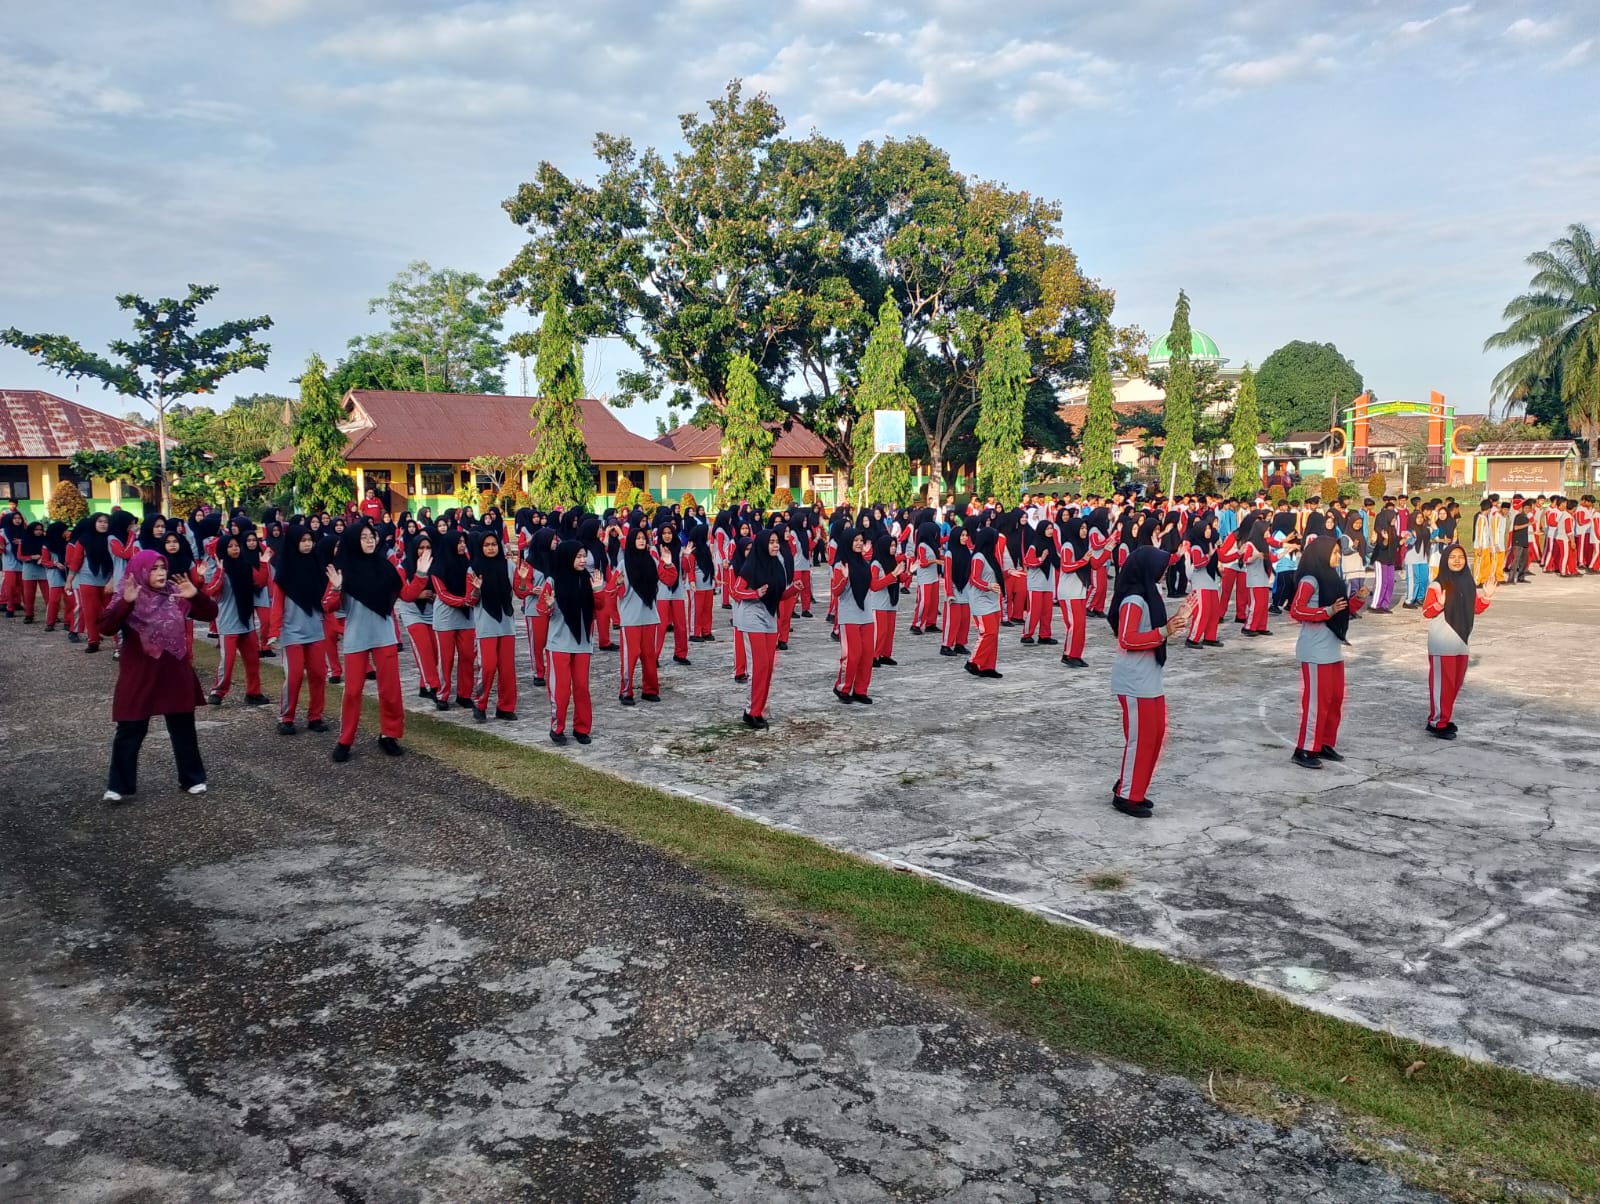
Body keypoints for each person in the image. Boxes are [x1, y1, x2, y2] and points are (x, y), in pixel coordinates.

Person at [99, 548, 217, 803]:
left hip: (174, 671)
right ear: (140, 571)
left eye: (163, 567)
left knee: (183, 727)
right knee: (130, 728)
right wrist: (127, 603)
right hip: (140, 674)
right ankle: (119, 785)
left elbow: (210, 614)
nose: (161, 573)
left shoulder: (176, 595)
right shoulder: (128, 594)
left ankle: (192, 778)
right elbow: (106, 627)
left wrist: (196, 596)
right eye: (154, 569)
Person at [321, 518, 414, 762]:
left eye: (372, 537)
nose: (369, 541)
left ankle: (389, 735)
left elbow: (406, 594)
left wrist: (422, 574)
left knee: (390, 690)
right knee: (353, 691)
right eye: (363, 537)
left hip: (384, 635)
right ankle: (345, 740)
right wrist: (336, 588)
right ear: (353, 541)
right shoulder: (342, 570)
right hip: (357, 636)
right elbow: (328, 606)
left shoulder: (385, 566)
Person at [1108, 545, 1189, 819]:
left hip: (1149, 677)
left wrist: (1176, 619)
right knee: (1140, 739)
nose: (1165, 571)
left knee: (1155, 735)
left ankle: (1133, 786)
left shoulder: (1149, 594)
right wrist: (1164, 631)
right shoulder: (1134, 599)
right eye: (1162, 566)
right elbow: (1127, 638)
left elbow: (1154, 630)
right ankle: (1127, 794)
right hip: (1134, 680)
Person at [1288, 534, 1368, 769]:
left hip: (1332, 648)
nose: (1338, 556)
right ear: (1321, 554)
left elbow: (1341, 609)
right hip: (1315, 651)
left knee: (1334, 699)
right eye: (1333, 553)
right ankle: (1304, 748)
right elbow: (1296, 610)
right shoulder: (1309, 580)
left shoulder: (1333, 578)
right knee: (1316, 702)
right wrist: (1326, 611)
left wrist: (1358, 599)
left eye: (1337, 552)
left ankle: (1323, 742)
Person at [1423, 543, 1495, 739]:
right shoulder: (1437, 585)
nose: (1457, 560)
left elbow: (1475, 608)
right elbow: (1426, 612)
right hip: (1442, 641)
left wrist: (1487, 597)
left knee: (1455, 683)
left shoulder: (1468, 583)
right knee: (1442, 685)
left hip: (1461, 641)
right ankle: (1437, 722)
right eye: (1452, 557)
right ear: (1445, 560)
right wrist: (1439, 604)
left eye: (1460, 557)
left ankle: (1444, 717)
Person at [729, 527, 799, 728]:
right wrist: (755, 594)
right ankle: (751, 711)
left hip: (769, 617)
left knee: (768, 667)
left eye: (777, 542)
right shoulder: (751, 567)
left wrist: (793, 590)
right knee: (759, 666)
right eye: (771, 542)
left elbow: (777, 594)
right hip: (751, 618)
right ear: (762, 545)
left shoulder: (777, 566)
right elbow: (736, 591)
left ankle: (759, 710)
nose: (776, 546)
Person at [538, 538, 601, 744]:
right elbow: (541, 609)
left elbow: (599, 608)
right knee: (561, 690)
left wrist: (598, 591)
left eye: (584, 556)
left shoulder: (587, 579)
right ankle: (557, 728)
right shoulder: (553, 580)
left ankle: (582, 729)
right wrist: (549, 605)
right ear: (567, 557)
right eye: (578, 556)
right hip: (559, 644)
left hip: (582, 643)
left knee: (582, 688)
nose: (583, 560)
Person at [270, 523, 332, 735]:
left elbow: (326, 598)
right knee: (295, 676)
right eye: (303, 541)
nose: (307, 544)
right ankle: (286, 718)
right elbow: (277, 604)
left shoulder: (317, 566)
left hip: (315, 629)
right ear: (294, 542)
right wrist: (274, 631)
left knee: (319, 674)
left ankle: (315, 717)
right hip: (292, 633)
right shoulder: (284, 571)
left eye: (310, 540)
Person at [466, 527, 527, 722]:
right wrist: (476, 590)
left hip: (507, 623)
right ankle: (480, 703)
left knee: (507, 669)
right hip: (486, 624)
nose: (491, 548)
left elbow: (521, 593)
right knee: (488, 666)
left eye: (494, 544)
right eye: (486, 545)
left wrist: (523, 579)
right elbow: (470, 600)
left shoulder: (508, 566)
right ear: (480, 547)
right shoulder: (473, 569)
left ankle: (505, 707)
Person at [203, 532, 271, 706]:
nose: (234, 549)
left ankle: (253, 693)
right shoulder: (221, 571)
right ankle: (218, 691)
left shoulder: (246, 566)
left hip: (246, 622)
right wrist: (220, 571)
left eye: (236, 546)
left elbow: (261, 582)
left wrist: (264, 563)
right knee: (228, 660)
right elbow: (211, 591)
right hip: (228, 624)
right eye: (230, 546)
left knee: (253, 660)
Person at [611, 522, 668, 705]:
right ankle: (626, 691)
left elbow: (668, 579)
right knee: (630, 656)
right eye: (638, 538)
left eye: (644, 538)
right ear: (631, 541)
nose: (642, 541)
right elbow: (611, 590)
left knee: (649, 656)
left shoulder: (652, 561)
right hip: (631, 618)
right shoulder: (623, 564)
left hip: (649, 616)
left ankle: (650, 689)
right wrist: (618, 585)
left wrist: (668, 564)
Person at [830, 529, 879, 702]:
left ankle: (860, 690)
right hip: (849, 616)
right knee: (853, 654)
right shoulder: (840, 565)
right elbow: (836, 591)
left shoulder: (864, 564)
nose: (859, 543)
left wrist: (894, 575)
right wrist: (844, 578)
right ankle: (843, 688)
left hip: (866, 615)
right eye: (855, 540)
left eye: (861, 540)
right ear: (848, 542)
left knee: (867, 655)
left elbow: (873, 586)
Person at [964, 527, 1005, 679]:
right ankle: (973, 661)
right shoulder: (978, 557)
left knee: (994, 634)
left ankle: (988, 666)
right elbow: (974, 578)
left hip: (993, 600)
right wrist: (988, 586)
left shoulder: (990, 556)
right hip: (980, 600)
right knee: (988, 632)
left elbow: (995, 575)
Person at [939, 525, 973, 658]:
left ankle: (960, 643)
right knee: (953, 620)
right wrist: (949, 593)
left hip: (965, 590)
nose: (964, 538)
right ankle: (946, 645)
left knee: (965, 619)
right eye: (962, 536)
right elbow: (947, 575)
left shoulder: (968, 552)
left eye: (966, 536)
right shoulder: (949, 553)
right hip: (954, 590)